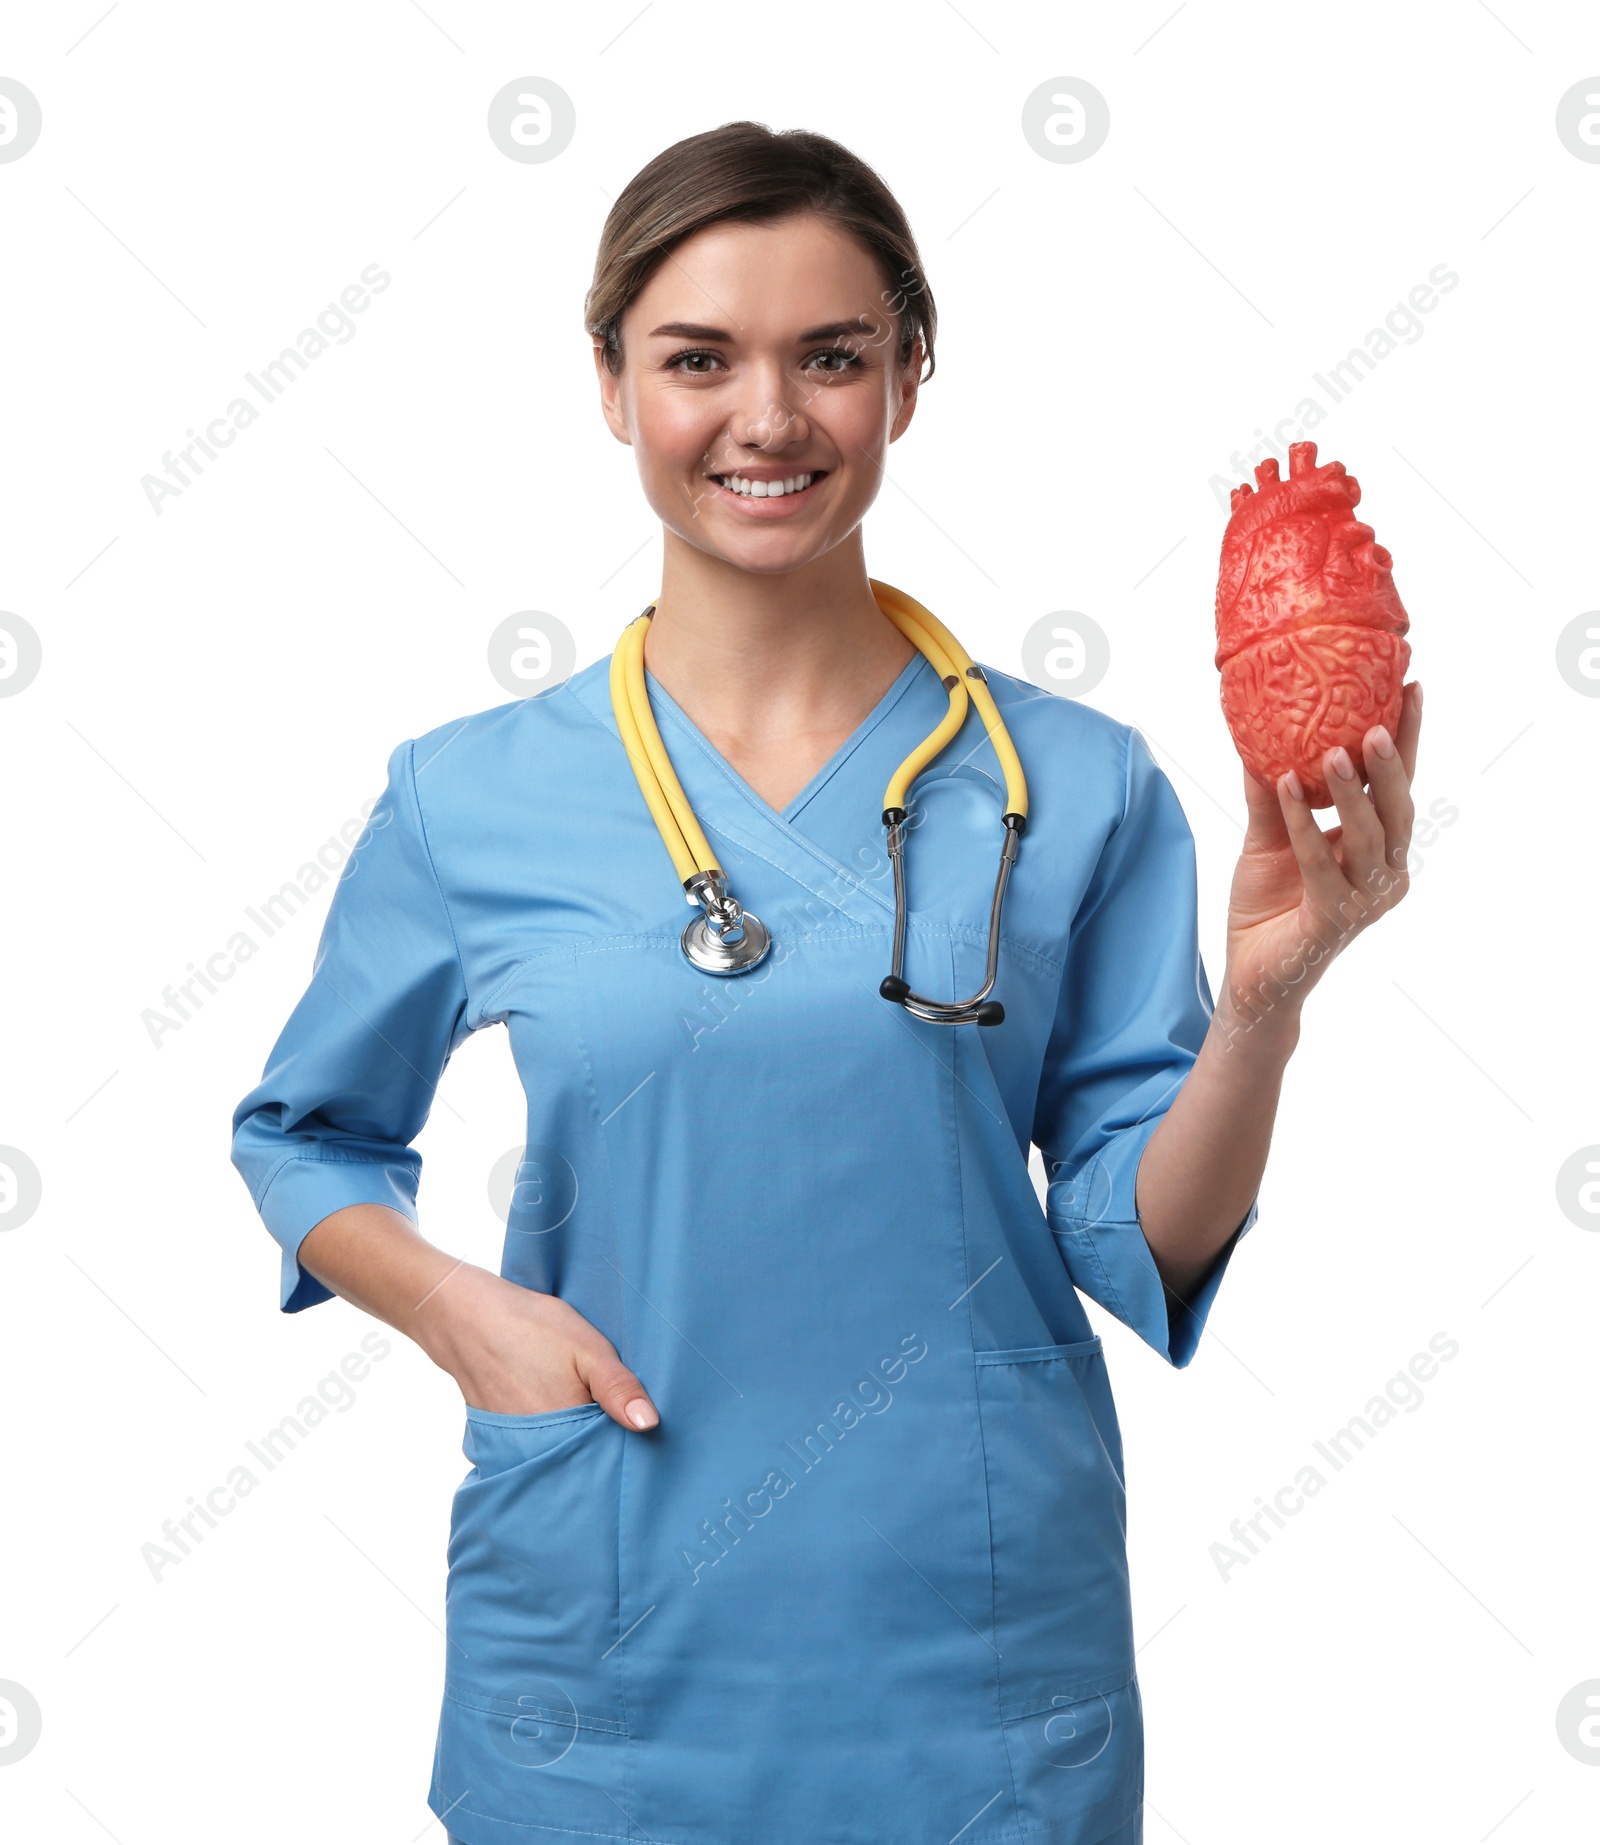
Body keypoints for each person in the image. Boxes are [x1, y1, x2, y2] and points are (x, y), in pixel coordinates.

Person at [230, 121, 1421, 1845]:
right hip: (611, 1635)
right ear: (611, 383)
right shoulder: (468, 798)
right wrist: (455, 1310)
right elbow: (304, 1135)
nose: (767, 417)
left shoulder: (1074, 781)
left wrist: (1263, 1008)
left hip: (973, 1657)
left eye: (832, 356)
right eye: (697, 358)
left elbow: (1135, 1237)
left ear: (911, 378)